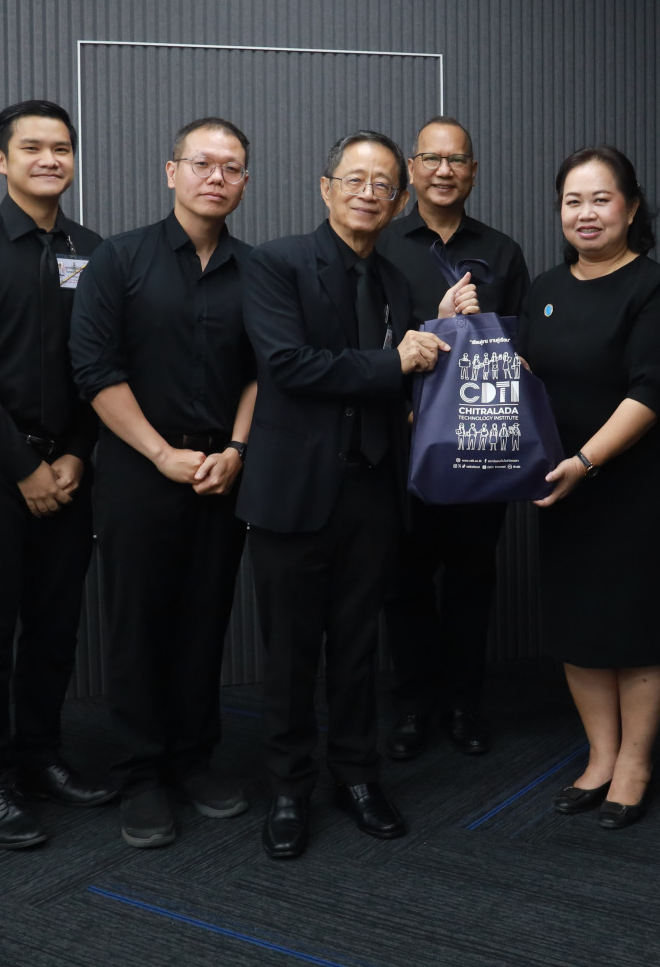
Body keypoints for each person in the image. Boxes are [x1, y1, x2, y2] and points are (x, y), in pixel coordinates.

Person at [238, 129, 464, 860]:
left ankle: (359, 777)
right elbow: (289, 365)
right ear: (326, 187)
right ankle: (288, 790)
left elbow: (408, 374)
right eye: (355, 180)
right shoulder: (276, 264)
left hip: (373, 490)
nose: (369, 194)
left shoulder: (396, 280)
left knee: (361, 648)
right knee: (290, 655)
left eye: (383, 185)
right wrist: (394, 361)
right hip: (293, 493)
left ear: (399, 200)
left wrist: (452, 344)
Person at [70, 117, 259, 849]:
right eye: (202, 163)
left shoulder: (257, 270)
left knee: (205, 619)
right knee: (138, 623)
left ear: (245, 182)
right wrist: (159, 454)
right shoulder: (119, 259)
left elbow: (263, 371)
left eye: (231, 167)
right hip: (138, 470)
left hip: (223, 474)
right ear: (171, 171)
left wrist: (237, 449)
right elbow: (95, 370)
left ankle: (192, 760)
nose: (216, 177)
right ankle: (141, 774)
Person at [0, 100, 114, 850]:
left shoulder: (93, 250)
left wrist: (73, 454)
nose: (50, 160)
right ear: (0, 160)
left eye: (62, 147)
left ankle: (40, 756)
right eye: (32, 147)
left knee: (53, 627)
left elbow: (98, 364)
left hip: (68, 466)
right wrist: (23, 468)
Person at [514, 145, 660, 831]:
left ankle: (636, 764)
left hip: (637, 485)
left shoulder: (655, 287)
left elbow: (654, 390)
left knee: (637, 626)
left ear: (632, 206)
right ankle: (600, 755)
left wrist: (586, 461)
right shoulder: (544, 289)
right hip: (564, 485)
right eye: (572, 201)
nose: (585, 214)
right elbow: (525, 377)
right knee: (577, 621)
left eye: (600, 199)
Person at [376, 116, 532, 760]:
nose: (444, 171)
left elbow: (521, 348)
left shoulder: (502, 251)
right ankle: (414, 705)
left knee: (471, 578)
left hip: (476, 444)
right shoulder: (381, 243)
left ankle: (464, 703)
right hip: (401, 441)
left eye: (457, 160)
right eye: (431, 159)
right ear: (411, 170)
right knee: (404, 580)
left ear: (473, 172)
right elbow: (366, 342)